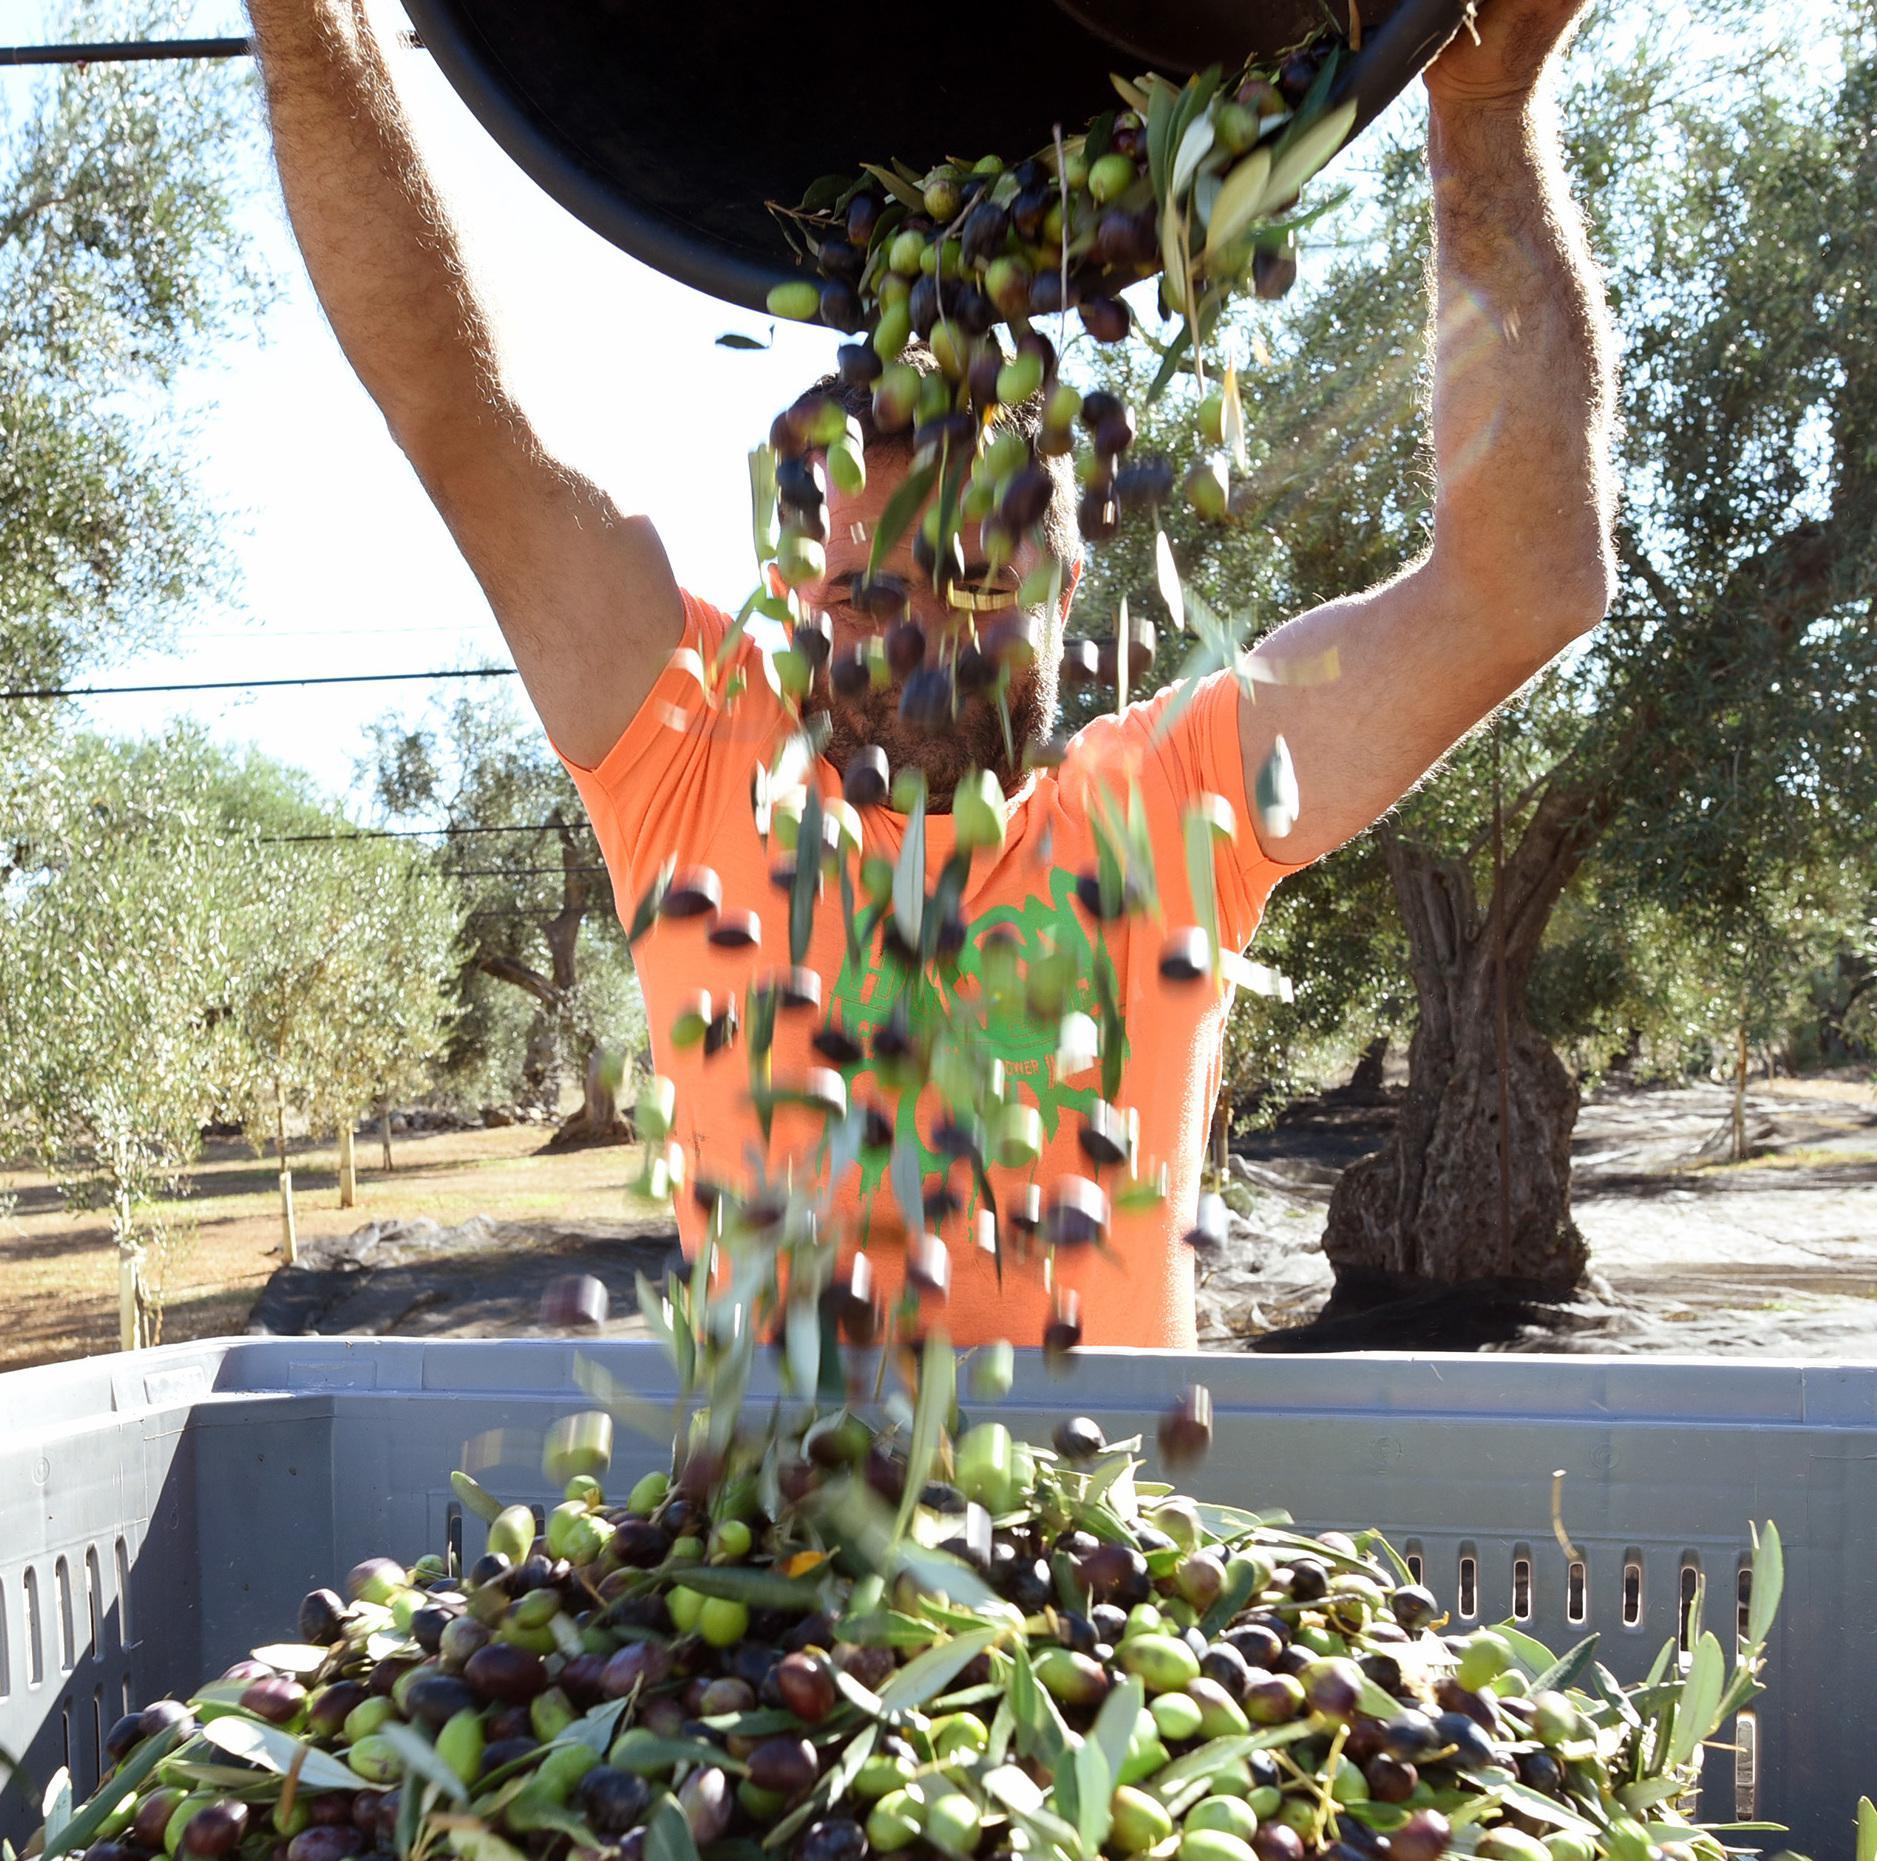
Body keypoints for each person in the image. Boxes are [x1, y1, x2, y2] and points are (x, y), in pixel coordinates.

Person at [247, 0, 1616, 1350]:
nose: (912, 652)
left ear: (1061, 589)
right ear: (791, 595)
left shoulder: (1171, 808)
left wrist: (1482, 117)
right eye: (862, 595)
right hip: (769, 1550)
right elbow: (458, 406)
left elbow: (1521, 586)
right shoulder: (689, 750)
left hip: (1097, 1557)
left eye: (970, 589)